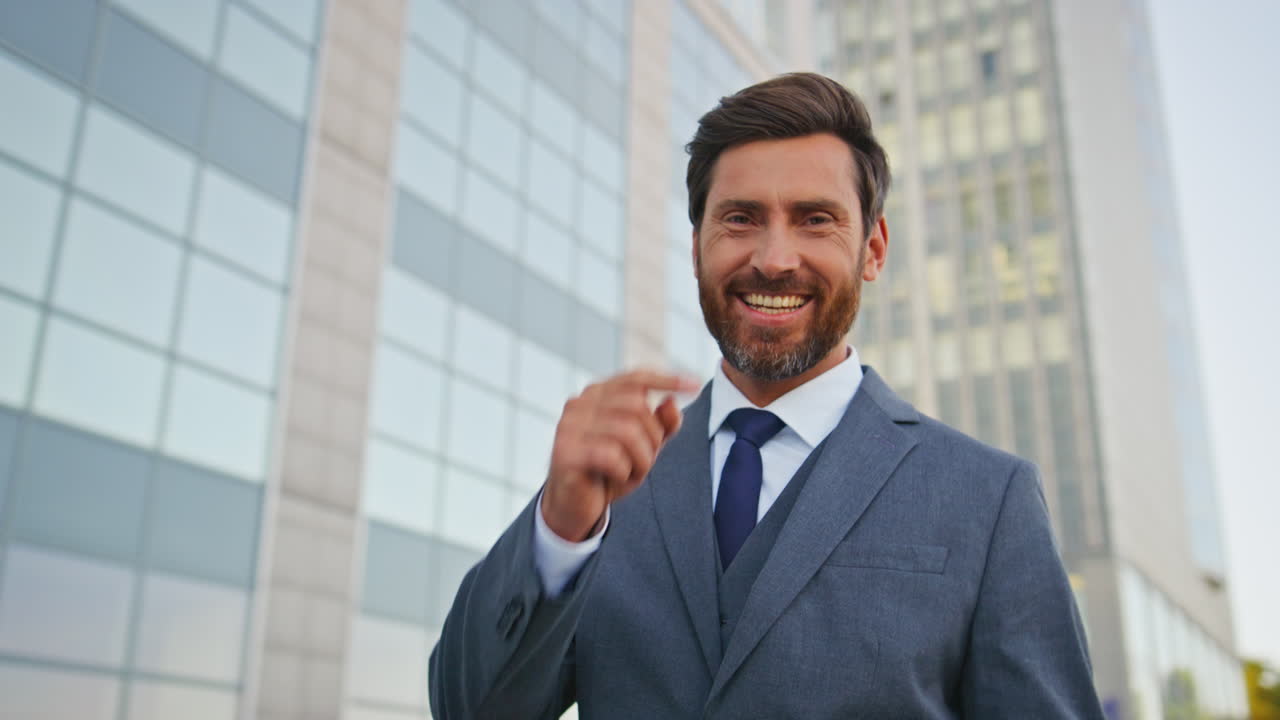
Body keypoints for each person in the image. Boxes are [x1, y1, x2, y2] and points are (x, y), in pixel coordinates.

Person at [429, 72, 1104, 719]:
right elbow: (467, 709)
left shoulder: (990, 499)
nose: (775, 258)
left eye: (815, 219)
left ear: (873, 249)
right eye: (742, 219)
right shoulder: (611, 479)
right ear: (697, 248)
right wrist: (559, 528)